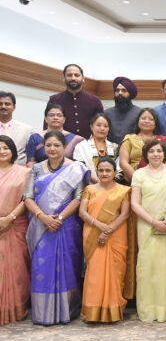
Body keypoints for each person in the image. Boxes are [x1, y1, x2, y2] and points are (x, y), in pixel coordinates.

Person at [23, 131, 90, 324]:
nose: (52, 149)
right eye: (49, 145)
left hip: (67, 225)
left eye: (57, 145)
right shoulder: (36, 168)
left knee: (68, 266)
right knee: (41, 265)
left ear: (64, 147)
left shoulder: (76, 168)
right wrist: (43, 217)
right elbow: (28, 197)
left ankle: (67, 310)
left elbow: (79, 198)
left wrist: (59, 218)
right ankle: (44, 313)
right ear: (44, 147)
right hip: (41, 225)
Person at [130, 139, 166, 322]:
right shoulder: (138, 175)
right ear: (146, 154)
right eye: (152, 151)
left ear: (165, 154)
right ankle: (149, 310)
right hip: (146, 226)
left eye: (159, 151)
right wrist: (153, 222)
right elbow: (135, 203)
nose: (155, 154)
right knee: (147, 266)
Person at [78, 157, 134, 323]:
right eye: (101, 170)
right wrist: (100, 226)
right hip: (92, 233)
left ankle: (112, 311)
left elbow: (124, 214)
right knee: (94, 273)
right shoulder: (89, 189)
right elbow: (83, 212)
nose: (104, 173)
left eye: (108, 170)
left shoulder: (123, 190)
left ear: (115, 172)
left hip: (116, 234)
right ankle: (93, 312)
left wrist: (108, 230)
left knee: (115, 272)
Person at [0, 136, 31, 325]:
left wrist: (9, 218)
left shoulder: (24, 172)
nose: (2, 151)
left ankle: (16, 308)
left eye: (5, 147)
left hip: (15, 225)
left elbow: (27, 199)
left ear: (12, 150)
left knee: (17, 268)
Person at [45, 64, 103, 138]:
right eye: (69, 75)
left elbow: (101, 126)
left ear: (83, 78)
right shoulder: (54, 100)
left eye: (76, 75)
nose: (73, 78)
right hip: (62, 146)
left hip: (88, 146)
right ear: (64, 78)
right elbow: (47, 127)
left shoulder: (95, 101)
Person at [119, 108, 166, 183]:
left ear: (156, 123)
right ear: (138, 121)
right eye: (143, 118)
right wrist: (137, 179)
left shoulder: (162, 140)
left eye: (151, 119)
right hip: (133, 180)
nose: (146, 121)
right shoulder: (129, 139)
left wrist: (157, 179)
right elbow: (123, 163)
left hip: (158, 181)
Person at [73, 113, 120, 183]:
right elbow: (80, 169)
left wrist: (110, 183)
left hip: (112, 187)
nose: (102, 128)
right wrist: (97, 182)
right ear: (91, 127)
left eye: (105, 126)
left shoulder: (115, 147)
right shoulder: (81, 147)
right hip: (89, 187)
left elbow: (119, 170)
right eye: (98, 125)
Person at [103, 76, 142, 145]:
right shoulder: (106, 113)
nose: (120, 93)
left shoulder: (140, 113)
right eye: (117, 90)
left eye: (124, 90)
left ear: (130, 93)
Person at [0, 91, 33, 165]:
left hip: (18, 174)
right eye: (0, 104)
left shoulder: (27, 130)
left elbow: (32, 156)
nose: (3, 106)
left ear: (14, 107)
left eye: (7, 104)